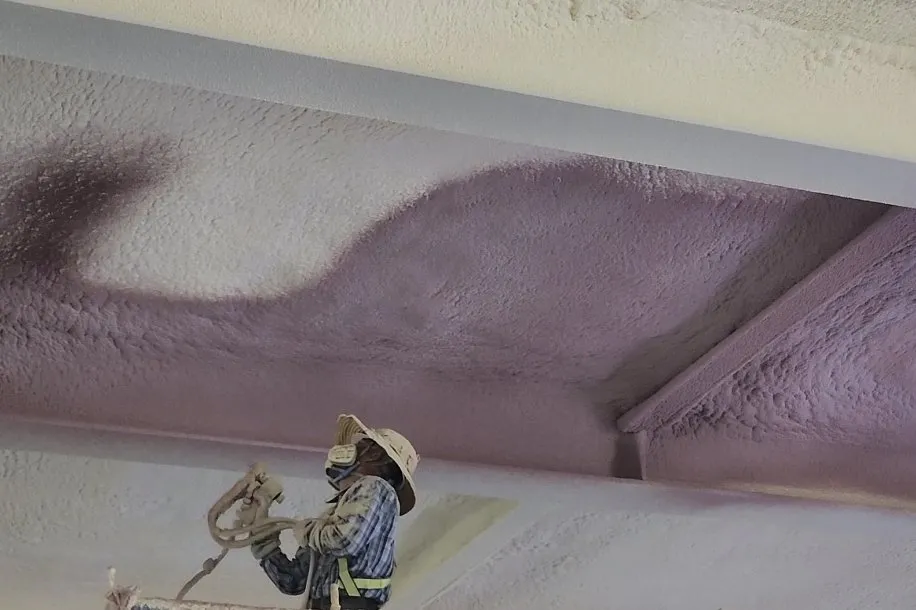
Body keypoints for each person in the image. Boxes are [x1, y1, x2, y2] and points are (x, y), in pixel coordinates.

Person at [251, 414, 419, 610]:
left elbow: (344, 541)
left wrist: (307, 532)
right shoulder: (333, 518)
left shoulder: (376, 487)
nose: (353, 451)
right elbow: (293, 581)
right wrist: (263, 541)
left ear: (375, 455)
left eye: (360, 447)